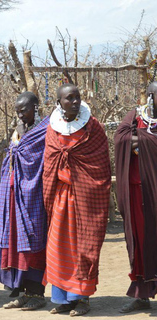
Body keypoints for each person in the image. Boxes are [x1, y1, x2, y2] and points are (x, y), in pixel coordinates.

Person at [42, 84, 110, 316]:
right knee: (58, 248)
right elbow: (49, 164)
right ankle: (63, 298)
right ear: (59, 102)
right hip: (61, 198)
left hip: (85, 200)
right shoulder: (53, 129)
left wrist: (80, 181)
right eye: (69, 98)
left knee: (82, 248)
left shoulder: (93, 128)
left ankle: (82, 299)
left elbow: (99, 167)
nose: (74, 101)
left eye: (77, 97)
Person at [0, 92, 49, 311]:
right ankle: (24, 291)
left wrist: (23, 142)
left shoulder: (44, 130)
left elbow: (40, 160)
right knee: (15, 243)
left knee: (34, 241)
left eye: (23, 109)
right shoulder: (19, 131)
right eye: (17, 110)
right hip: (13, 199)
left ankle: (37, 293)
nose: (19, 114)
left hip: (33, 196)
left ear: (35, 107)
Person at [115, 81, 157, 313]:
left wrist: (138, 140)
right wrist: (146, 139)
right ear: (150, 96)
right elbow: (120, 139)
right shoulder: (135, 116)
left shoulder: (137, 125)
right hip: (138, 191)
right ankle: (142, 295)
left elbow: (132, 140)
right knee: (140, 242)